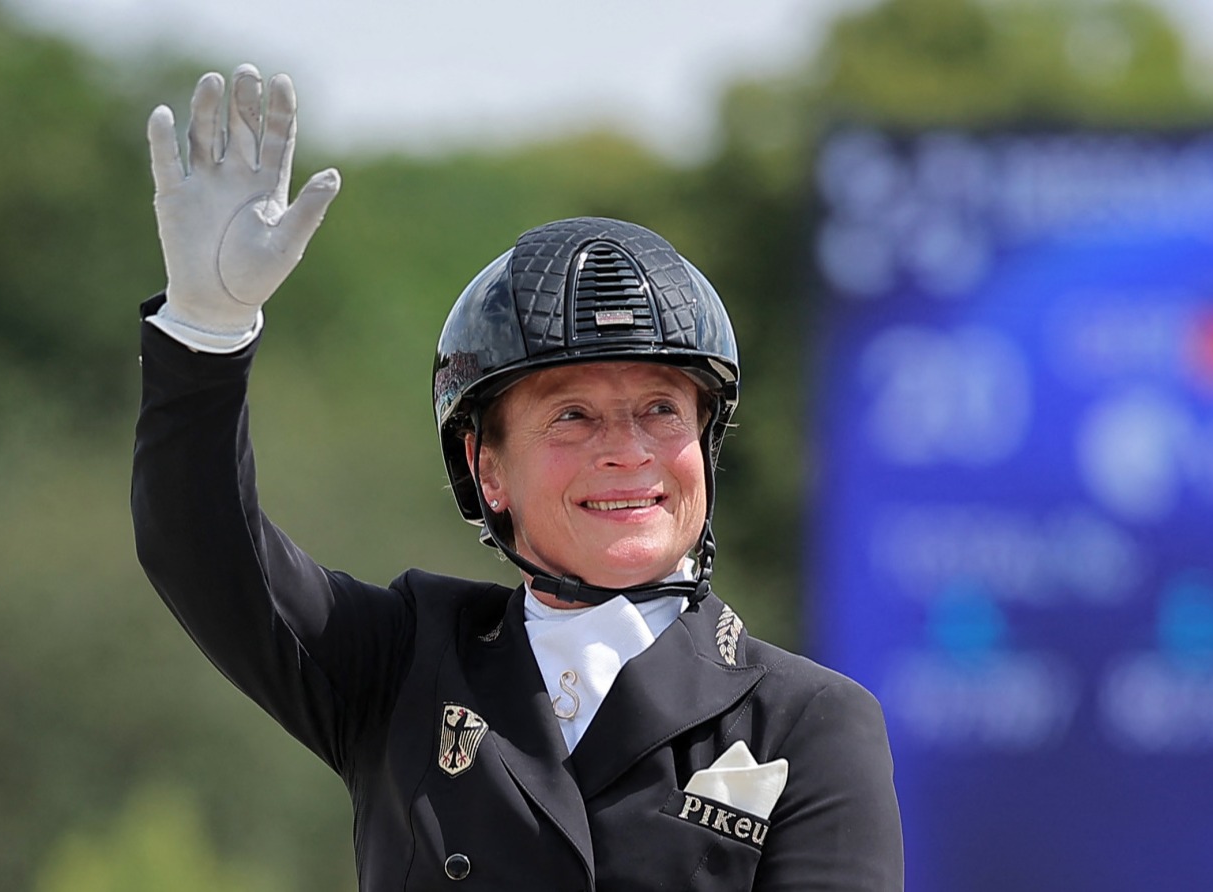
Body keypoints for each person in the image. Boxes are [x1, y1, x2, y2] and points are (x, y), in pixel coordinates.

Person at [132, 64, 903, 891]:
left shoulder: (808, 719)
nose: (628, 451)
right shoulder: (404, 662)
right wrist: (205, 338)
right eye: (573, 416)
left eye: (661, 411)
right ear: (486, 468)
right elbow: (202, 549)